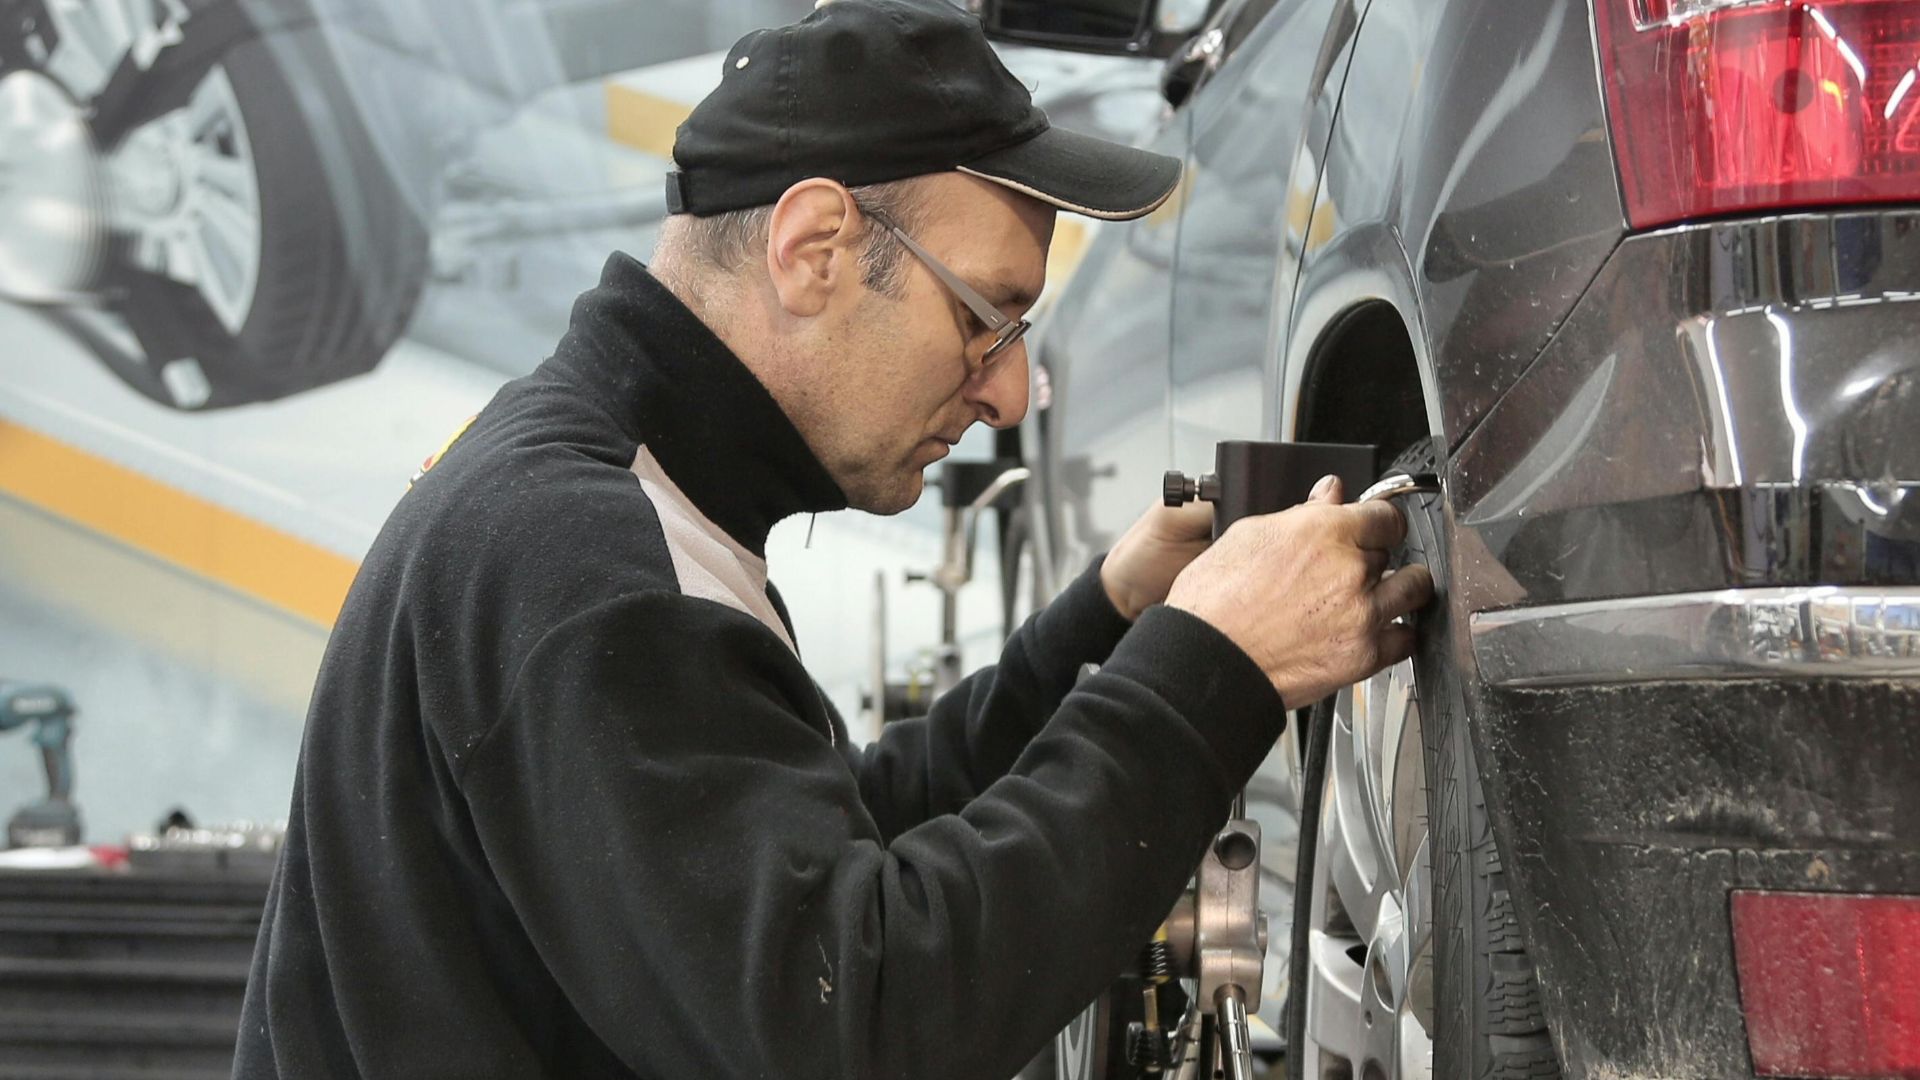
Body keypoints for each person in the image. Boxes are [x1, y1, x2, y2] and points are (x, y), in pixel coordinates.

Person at [232, 1, 1433, 1077]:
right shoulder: (580, 559)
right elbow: (852, 1014)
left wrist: (1112, 620)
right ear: (812, 249)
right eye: (988, 318)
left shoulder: (624, 494)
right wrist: (1211, 674)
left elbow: (824, 837)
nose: (1009, 396)